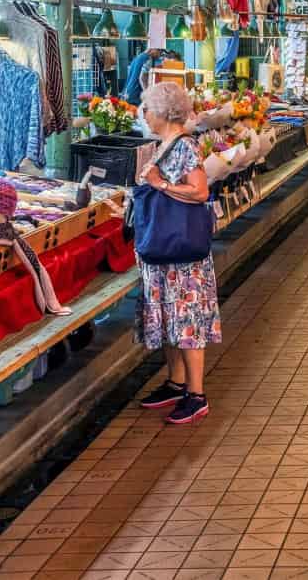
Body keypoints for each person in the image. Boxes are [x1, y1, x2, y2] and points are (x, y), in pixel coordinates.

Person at [134, 82, 220, 425]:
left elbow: (200, 192)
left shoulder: (184, 145)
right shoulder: (165, 145)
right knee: (171, 318)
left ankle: (195, 395)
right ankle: (176, 382)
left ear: (162, 112)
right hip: (164, 254)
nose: (144, 116)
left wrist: (160, 185)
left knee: (187, 321)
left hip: (183, 258)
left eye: (147, 109)